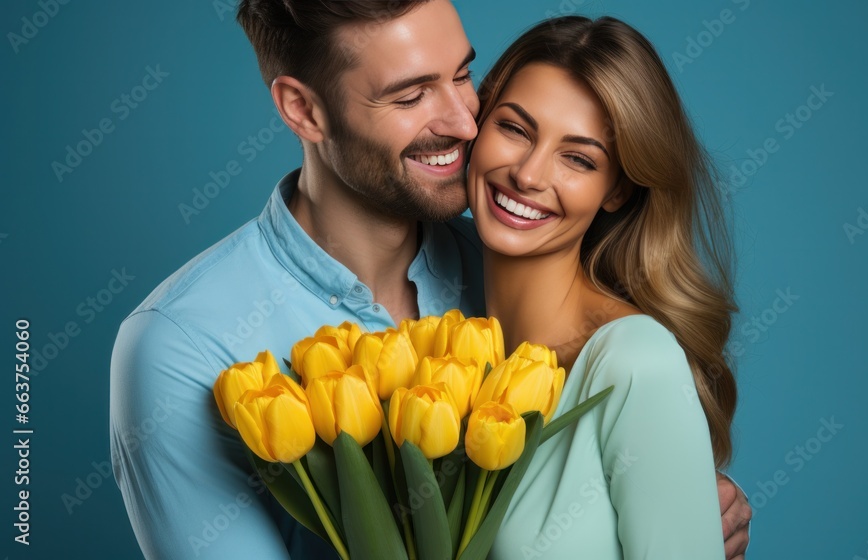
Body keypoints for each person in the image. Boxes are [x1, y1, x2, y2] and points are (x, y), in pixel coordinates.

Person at [109, 2, 750, 558]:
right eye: (412, 95)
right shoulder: (183, 345)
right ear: (303, 109)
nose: (467, 122)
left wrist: (675, 501)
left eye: (465, 76)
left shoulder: (513, 265)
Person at [465, 16, 739, 558]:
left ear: (616, 190)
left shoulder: (636, 363)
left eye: (578, 159)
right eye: (515, 129)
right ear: (477, 122)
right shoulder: (444, 341)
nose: (529, 174)